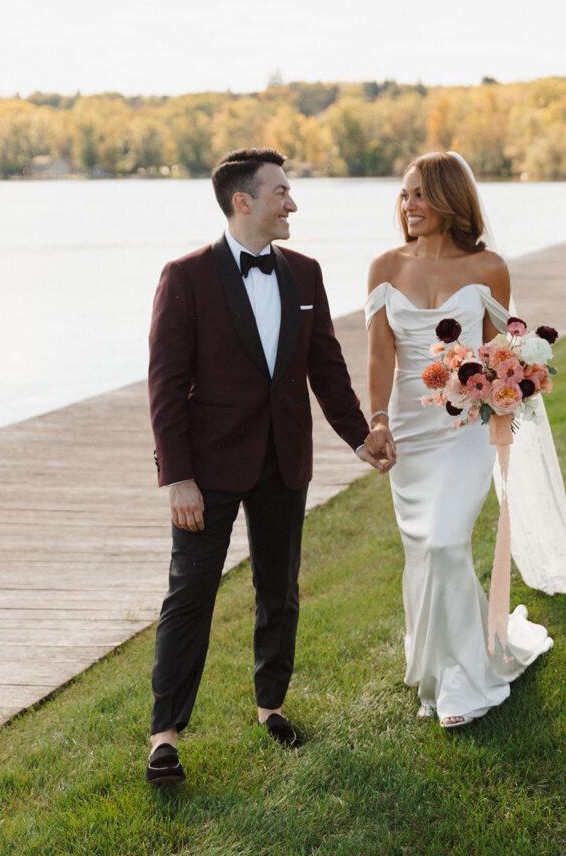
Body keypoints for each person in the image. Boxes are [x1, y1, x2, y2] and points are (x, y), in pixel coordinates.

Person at [146, 147, 391, 784]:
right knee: (189, 595)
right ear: (243, 201)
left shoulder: (305, 274)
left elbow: (326, 368)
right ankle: (165, 734)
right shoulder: (186, 276)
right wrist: (177, 477)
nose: (293, 203)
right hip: (208, 469)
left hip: (285, 460)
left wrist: (361, 438)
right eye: (282, 191)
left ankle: (270, 705)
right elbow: (166, 386)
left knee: (278, 589)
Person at [364, 152, 555, 728]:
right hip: (410, 430)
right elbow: (379, 352)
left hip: (464, 427)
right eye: (404, 195)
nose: (409, 205)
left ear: (449, 199)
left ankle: (464, 682)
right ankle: (434, 667)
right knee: (423, 548)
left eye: (420, 193)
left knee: (446, 542)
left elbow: (503, 351)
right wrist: (376, 420)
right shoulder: (385, 267)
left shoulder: (489, 267)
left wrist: (507, 385)